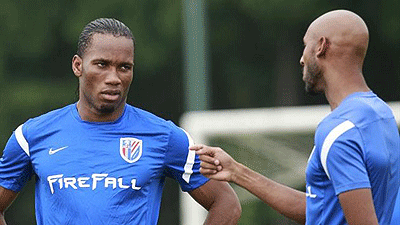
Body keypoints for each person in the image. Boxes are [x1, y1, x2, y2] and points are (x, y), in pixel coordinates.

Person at [0, 18, 241, 225]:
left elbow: (226, 203)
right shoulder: (31, 136)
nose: (114, 78)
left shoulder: (164, 136)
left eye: (124, 67)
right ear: (78, 65)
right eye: (102, 65)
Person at [192, 9, 400, 225]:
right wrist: (237, 172)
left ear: (321, 46)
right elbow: (318, 209)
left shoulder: (339, 130)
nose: (302, 59)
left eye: (305, 45)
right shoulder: (382, 116)